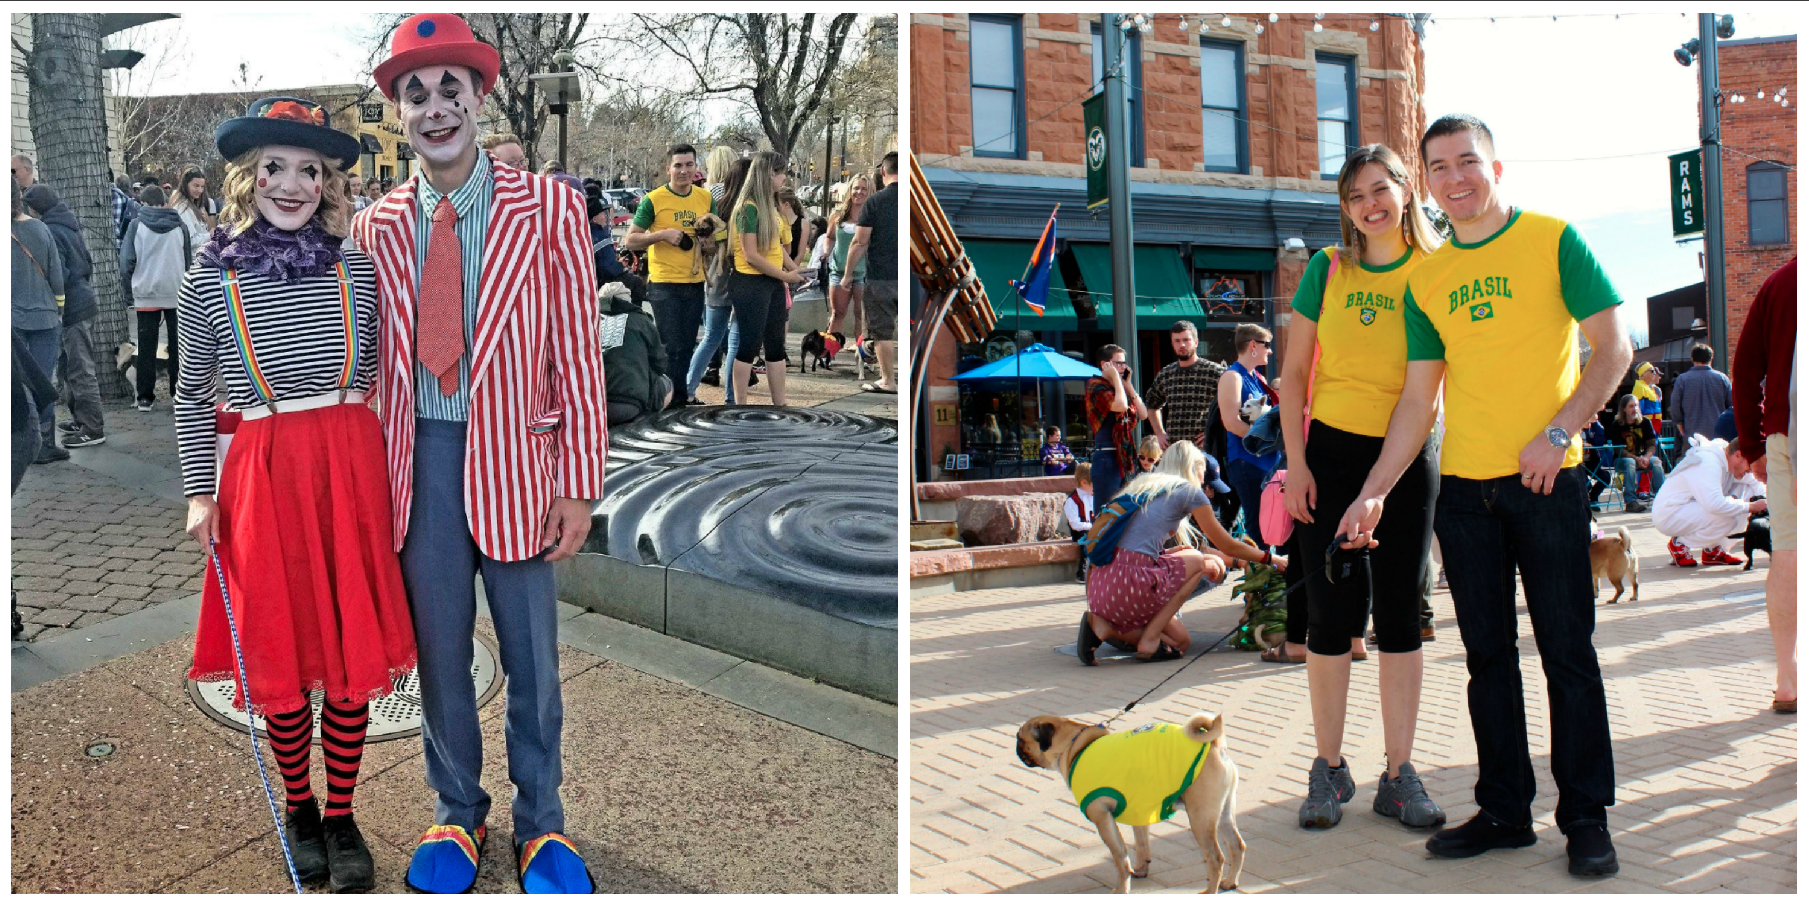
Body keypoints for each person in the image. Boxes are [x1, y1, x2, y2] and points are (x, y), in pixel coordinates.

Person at [1334, 114, 1627, 876]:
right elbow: (1415, 404)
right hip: (1464, 494)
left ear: (1496, 169)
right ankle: (1503, 808)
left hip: (1545, 482)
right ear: (1424, 183)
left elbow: (1614, 345)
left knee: (1567, 653)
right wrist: (1373, 493)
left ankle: (1585, 816)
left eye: (1467, 162)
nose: (1454, 177)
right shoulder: (1426, 280)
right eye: (1437, 167)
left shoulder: (1553, 239)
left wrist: (1559, 433)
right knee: (1486, 658)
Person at [359, 17, 606, 892]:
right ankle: (456, 811)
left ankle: (542, 823)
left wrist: (578, 482)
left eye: (448, 90)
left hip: (516, 460)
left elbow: (575, 348)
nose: (433, 110)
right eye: (414, 95)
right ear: (397, 112)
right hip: (415, 462)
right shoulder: (376, 226)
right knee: (438, 651)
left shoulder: (548, 208)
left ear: (478, 94)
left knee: (532, 658)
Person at [177, 94, 416, 894]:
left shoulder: (358, 266)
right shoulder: (209, 272)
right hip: (264, 470)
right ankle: (300, 806)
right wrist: (198, 493)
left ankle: (343, 813)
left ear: (329, 182)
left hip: (350, 466)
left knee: (348, 653)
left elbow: (395, 370)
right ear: (248, 177)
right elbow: (188, 395)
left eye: (310, 170)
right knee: (284, 651)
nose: (293, 184)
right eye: (274, 167)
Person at [1278, 144, 1445, 832]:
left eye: (1381, 189)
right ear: (1344, 208)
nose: (1370, 204)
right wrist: (1297, 466)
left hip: (1404, 460)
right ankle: (1328, 767)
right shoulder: (1327, 268)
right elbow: (1292, 377)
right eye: (1355, 195)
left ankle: (1399, 774)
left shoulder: (1434, 273)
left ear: (1405, 190)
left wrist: (1378, 488)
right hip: (1329, 455)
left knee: (1401, 615)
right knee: (1326, 616)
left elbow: (1422, 393)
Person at [1078, 441, 1281, 664]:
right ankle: (1150, 639)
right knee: (1198, 560)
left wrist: (1169, 552)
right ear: (1193, 468)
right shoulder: (1188, 491)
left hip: (1099, 588)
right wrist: (1270, 558)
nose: (1204, 483)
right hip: (1130, 585)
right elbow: (1227, 545)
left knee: (1180, 643)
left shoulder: (1143, 484)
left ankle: (1104, 628)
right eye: (1202, 473)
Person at [1730, 256, 1796, 714]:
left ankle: (1788, 679)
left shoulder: (1779, 283)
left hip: (1787, 432)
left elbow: (1745, 368)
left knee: (1789, 555)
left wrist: (1754, 444)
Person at [625, 143, 712, 409]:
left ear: (696, 168)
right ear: (668, 169)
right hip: (664, 284)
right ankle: (668, 400)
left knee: (686, 346)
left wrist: (709, 240)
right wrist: (662, 235)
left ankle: (679, 396)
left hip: (695, 282)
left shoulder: (705, 199)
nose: (683, 171)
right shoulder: (654, 199)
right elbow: (631, 240)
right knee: (670, 346)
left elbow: (714, 240)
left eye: (688, 165)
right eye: (678, 165)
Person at [22, 185, 106, 448]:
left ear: (36, 208)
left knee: (80, 370)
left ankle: (92, 428)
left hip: (72, 306)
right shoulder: (67, 225)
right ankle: (82, 419)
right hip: (81, 300)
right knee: (72, 368)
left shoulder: (52, 231)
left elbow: (58, 273)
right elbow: (85, 264)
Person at [725, 149, 804, 406]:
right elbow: (750, 254)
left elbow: (775, 247)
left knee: (776, 344)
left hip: (771, 282)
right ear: (769, 174)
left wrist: (794, 269)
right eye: (781, 173)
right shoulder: (748, 208)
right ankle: (740, 404)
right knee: (749, 344)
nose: (784, 178)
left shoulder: (770, 206)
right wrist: (785, 275)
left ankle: (780, 403)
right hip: (750, 282)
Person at [1652, 410, 1765, 567]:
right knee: (1728, 517)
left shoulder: (1729, 459)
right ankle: (1679, 543)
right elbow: (1713, 504)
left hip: (1690, 508)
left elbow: (1756, 484)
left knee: (1749, 491)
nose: (1751, 470)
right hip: (1669, 513)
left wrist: (1768, 503)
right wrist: (1751, 506)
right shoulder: (1708, 462)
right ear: (1738, 455)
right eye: (1750, 465)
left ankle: (1714, 550)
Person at [120, 183, 194, 411]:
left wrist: (129, 288)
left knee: (146, 345)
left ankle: (145, 397)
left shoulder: (136, 225)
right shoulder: (179, 226)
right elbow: (188, 260)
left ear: (143, 202)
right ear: (164, 201)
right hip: (176, 291)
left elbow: (126, 262)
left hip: (146, 292)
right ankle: (177, 392)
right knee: (177, 346)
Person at [687, 156, 751, 405]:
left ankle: (689, 388)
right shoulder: (746, 209)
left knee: (711, 336)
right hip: (741, 275)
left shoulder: (718, 205)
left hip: (715, 276)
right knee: (735, 339)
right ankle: (732, 399)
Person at [11, 177, 66, 463]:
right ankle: (46, 443)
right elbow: (55, 275)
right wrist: (59, 307)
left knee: (17, 382)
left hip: (12, 319)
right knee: (44, 379)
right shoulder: (41, 229)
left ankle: (22, 441)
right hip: (44, 316)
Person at [1217, 323, 1280, 548]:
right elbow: (1231, 422)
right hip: (1247, 461)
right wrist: (1266, 442)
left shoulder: (1258, 377)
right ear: (1253, 345)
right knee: (1257, 525)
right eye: (1267, 345)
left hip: (1268, 460)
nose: (1270, 351)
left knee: (1273, 522)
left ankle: (1271, 573)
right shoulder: (1232, 376)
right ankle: (1261, 576)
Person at [841, 151, 898, 393]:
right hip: (914, 277)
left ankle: (888, 380)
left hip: (880, 277)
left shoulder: (875, 203)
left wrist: (847, 274)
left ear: (883, 172)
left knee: (882, 330)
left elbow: (860, 242)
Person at [1146, 321, 1226, 451]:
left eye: (1186, 340)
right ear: (1172, 344)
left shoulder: (1215, 372)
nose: (1181, 345)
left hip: (1204, 448)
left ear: (1196, 342)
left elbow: (1231, 404)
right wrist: (1159, 433)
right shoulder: (1166, 374)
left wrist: (1214, 431)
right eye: (1177, 341)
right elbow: (1151, 404)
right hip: (1174, 449)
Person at [1085, 343, 1147, 508]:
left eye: (1124, 363)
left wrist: (1128, 385)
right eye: (1118, 363)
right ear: (1105, 365)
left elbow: (1143, 414)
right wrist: (1115, 379)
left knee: (1126, 509)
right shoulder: (1095, 385)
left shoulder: (1120, 389)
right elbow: (1120, 405)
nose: (1123, 367)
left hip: (1125, 456)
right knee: (1105, 511)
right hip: (1107, 456)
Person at [599, 281, 670, 424]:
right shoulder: (641, 320)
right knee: (667, 383)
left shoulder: (587, 321)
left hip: (593, 405)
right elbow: (660, 364)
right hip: (630, 406)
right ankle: (643, 424)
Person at [1606, 394, 1667, 518]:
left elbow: (1651, 445)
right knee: (1630, 462)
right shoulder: (1617, 425)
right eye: (1631, 406)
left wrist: (1646, 457)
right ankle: (1631, 502)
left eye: (1636, 406)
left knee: (1656, 462)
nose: (1635, 409)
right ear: (1624, 409)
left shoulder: (1645, 422)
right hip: (1622, 461)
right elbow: (1619, 449)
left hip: (1643, 458)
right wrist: (1637, 458)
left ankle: (1662, 499)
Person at [826, 175, 871, 338]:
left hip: (863, 274)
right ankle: (829, 351)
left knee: (862, 315)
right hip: (838, 271)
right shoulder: (837, 215)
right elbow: (829, 237)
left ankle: (862, 352)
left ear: (869, 191)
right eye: (856, 188)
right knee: (838, 313)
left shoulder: (872, 215)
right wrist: (826, 252)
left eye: (864, 189)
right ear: (850, 191)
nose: (859, 192)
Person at [1669, 343, 1733, 443]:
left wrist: (1679, 425)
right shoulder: (1722, 379)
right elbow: (1732, 406)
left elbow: (1675, 405)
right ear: (1711, 359)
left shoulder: (1682, 380)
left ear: (1692, 359)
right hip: (1718, 435)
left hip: (1691, 434)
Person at [172, 166, 219, 251]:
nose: (200, 190)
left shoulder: (195, 204)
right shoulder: (182, 207)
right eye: (196, 186)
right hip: (191, 260)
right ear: (186, 184)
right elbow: (189, 240)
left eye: (202, 186)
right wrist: (210, 235)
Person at [1066, 462, 1095, 582]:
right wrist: (1091, 526)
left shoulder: (1094, 496)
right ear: (1084, 482)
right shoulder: (1072, 501)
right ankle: (1082, 572)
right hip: (1080, 530)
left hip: (1093, 527)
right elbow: (1075, 524)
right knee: (1087, 539)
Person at [1632, 362, 1663, 431]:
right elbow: (1638, 410)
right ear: (1643, 373)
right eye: (1652, 371)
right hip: (1647, 426)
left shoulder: (1650, 387)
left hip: (1655, 425)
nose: (1654, 373)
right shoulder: (1639, 387)